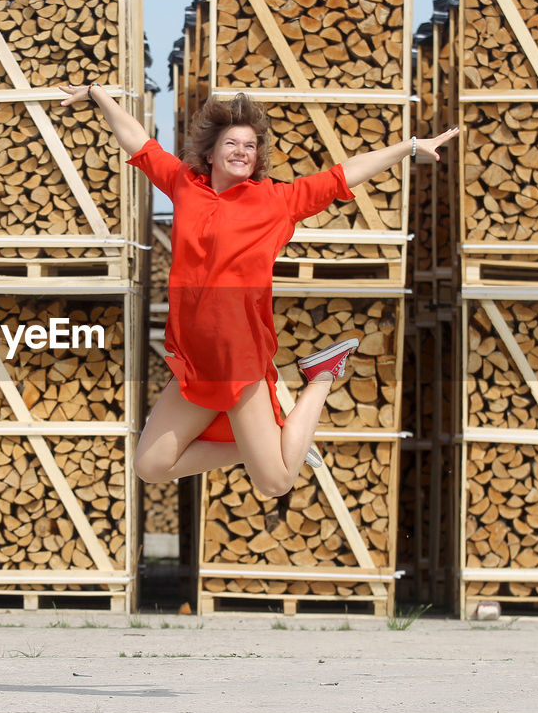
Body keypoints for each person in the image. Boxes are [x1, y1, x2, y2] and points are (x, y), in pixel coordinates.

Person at [60, 84, 457, 499]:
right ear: (209, 154)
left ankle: (321, 377)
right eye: (231, 142)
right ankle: (278, 446)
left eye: (250, 146)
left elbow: (344, 174)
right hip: (195, 363)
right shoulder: (184, 185)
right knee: (150, 466)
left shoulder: (276, 201)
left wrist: (410, 146)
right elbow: (138, 142)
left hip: (237, 362)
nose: (241, 150)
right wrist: (96, 95)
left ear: (257, 158)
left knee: (275, 482)